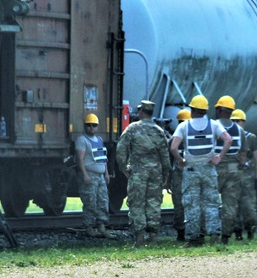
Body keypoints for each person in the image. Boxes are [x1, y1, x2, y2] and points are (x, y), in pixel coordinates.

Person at [169, 95, 231, 247]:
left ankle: (194, 239)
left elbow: (173, 147)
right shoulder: (214, 124)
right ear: (205, 110)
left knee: (192, 205)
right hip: (209, 169)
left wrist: (180, 160)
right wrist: (219, 157)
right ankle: (215, 235)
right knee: (211, 203)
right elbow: (228, 139)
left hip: (191, 170)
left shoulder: (184, 126)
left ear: (192, 109)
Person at [116, 100, 171, 246]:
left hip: (138, 172)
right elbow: (165, 155)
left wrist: (123, 167)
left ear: (141, 112)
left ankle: (139, 239)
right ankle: (153, 239)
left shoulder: (132, 129)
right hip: (155, 173)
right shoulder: (159, 131)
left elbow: (121, 149)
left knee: (137, 203)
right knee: (154, 203)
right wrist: (166, 174)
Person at [75, 112, 112, 238]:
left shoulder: (99, 140)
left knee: (103, 201)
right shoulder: (82, 140)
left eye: (94, 125)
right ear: (85, 126)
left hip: (100, 176)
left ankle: (102, 227)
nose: (91, 127)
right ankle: (89, 228)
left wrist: (106, 173)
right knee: (90, 201)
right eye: (89, 125)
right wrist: (85, 175)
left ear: (97, 127)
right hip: (90, 174)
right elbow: (80, 159)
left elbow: (103, 158)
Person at [213, 95, 242, 244]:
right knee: (230, 203)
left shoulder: (214, 125)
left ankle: (211, 234)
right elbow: (242, 152)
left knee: (210, 201)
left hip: (218, 167)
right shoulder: (238, 128)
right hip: (234, 168)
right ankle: (225, 237)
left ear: (218, 110)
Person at [231, 108, 257, 241]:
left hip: (247, 177)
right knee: (233, 205)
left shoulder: (251, 138)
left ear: (244, 122)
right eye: (233, 121)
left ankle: (251, 231)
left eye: (239, 121)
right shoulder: (227, 136)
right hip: (233, 176)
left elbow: (256, 159)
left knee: (249, 206)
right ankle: (237, 232)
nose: (236, 123)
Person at [169, 109, 191, 241]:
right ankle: (195, 231)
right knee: (193, 202)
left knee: (178, 203)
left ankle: (180, 233)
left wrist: (167, 180)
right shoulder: (194, 137)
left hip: (177, 175)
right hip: (191, 173)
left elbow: (169, 162)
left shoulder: (173, 140)